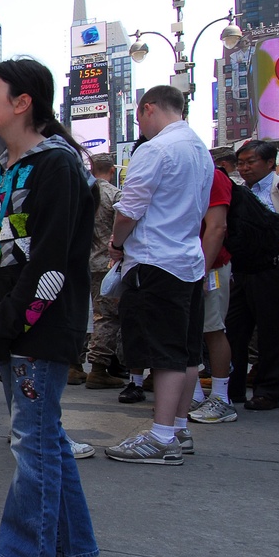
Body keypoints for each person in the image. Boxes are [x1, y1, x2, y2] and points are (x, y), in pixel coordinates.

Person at [0, 58, 99, 557]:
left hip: (38, 333)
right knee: (45, 438)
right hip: (9, 330)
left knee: (32, 442)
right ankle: (75, 546)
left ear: (23, 104)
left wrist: (2, 328)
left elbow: (51, 263)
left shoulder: (58, 167)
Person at [104, 86, 212, 466]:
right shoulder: (200, 150)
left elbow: (129, 208)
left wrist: (117, 242)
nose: (140, 126)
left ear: (149, 108)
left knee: (164, 354)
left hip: (155, 259)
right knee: (185, 352)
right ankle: (178, 428)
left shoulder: (156, 149)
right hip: (187, 259)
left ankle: (161, 435)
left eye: (138, 116)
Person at [225, 139, 279, 410]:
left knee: (274, 332)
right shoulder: (237, 191)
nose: (245, 168)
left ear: (270, 163)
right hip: (242, 269)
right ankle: (231, 390)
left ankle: (268, 391)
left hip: (276, 268)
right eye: (241, 163)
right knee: (232, 330)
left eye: (251, 162)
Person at [187, 165, 238, 423]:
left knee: (212, 329)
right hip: (187, 267)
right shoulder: (187, 171)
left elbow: (217, 227)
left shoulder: (211, 175)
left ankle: (220, 398)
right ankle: (193, 395)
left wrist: (203, 271)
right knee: (189, 332)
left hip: (210, 268)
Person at [84, 154, 127, 390]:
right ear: (111, 170)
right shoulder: (114, 194)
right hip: (106, 264)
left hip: (81, 262)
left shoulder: (81, 190)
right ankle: (99, 367)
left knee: (80, 312)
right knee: (106, 316)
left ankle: (73, 363)